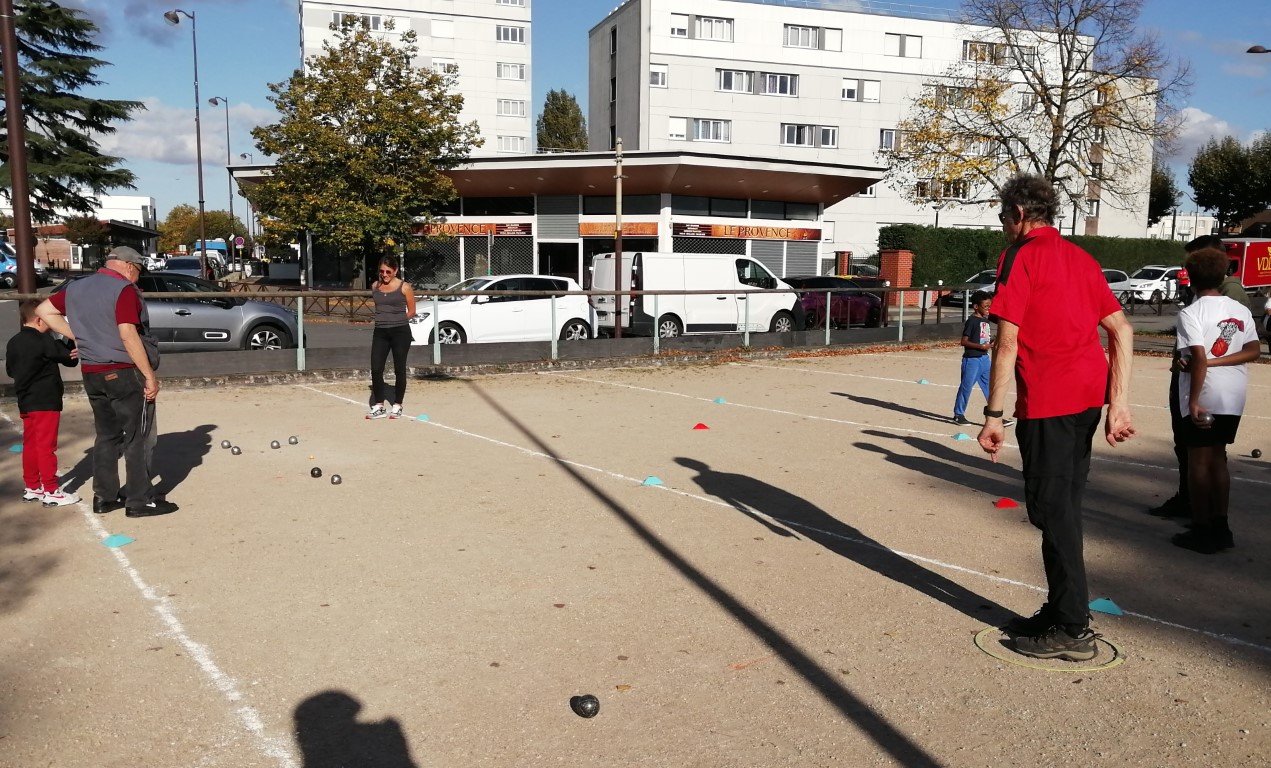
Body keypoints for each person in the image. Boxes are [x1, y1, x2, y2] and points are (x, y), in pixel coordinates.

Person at [977, 174, 1135, 662]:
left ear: (1020, 215)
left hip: (1051, 400)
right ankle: (1060, 608)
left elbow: (1006, 341)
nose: (1004, 227)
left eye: (1004, 218)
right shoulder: (1082, 258)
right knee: (1059, 504)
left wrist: (993, 414)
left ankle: (1072, 626)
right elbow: (1122, 329)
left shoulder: (1020, 255)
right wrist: (1118, 403)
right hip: (1087, 399)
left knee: (1053, 510)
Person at [35, 246, 177, 518]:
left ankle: (104, 497)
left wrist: (80, 336)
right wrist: (149, 375)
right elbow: (128, 334)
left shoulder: (76, 287)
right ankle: (139, 500)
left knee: (107, 435)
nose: (137, 278)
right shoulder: (122, 289)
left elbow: (44, 310)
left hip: (91, 372)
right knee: (138, 437)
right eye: (137, 272)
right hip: (122, 370)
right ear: (127, 266)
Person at [1148, 235, 1251, 521]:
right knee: (1192, 451)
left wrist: (1197, 375)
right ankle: (1198, 508)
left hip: (1204, 384)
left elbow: (1219, 342)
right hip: (1202, 378)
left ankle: (1203, 518)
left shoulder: (1227, 294)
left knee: (1202, 457)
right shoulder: (1208, 296)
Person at [1171, 247, 1261, 554]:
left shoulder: (1191, 313)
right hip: (1233, 394)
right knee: (1219, 459)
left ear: (1192, 279)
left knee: (1198, 461)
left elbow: (1198, 356)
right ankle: (1222, 526)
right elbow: (1253, 351)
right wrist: (1212, 362)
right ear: (1223, 276)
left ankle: (1201, 528)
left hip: (1205, 392)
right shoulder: (1241, 310)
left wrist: (1194, 398)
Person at [5, 300, 80, 506]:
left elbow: (10, 370)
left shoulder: (14, 341)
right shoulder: (43, 340)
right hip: (45, 401)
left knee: (30, 445)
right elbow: (69, 359)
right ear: (40, 318)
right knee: (47, 447)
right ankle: (51, 489)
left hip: (25, 400)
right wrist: (70, 338)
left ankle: (32, 487)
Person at [952, 291, 1015, 427]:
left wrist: (991, 342)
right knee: (966, 387)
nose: (988, 309)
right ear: (976, 307)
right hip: (972, 360)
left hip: (984, 359)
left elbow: (984, 337)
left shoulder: (985, 321)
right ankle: (958, 414)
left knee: (991, 388)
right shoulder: (972, 321)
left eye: (989, 306)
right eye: (985, 306)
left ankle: (994, 416)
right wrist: (981, 346)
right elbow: (964, 341)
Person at [367, 255, 417, 420]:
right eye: (382, 271)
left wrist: (398, 321)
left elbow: (412, 311)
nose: (385, 274)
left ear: (395, 270)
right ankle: (379, 405)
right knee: (376, 368)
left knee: (399, 369)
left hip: (400, 332)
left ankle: (397, 404)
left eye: (388, 271)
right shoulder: (375, 286)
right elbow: (380, 307)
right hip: (380, 332)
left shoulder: (405, 287)